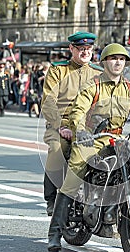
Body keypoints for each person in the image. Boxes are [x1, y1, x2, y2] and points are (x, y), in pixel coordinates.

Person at [46, 43, 130, 252]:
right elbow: (78, 110)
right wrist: (80, 131)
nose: (117, 62)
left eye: (121, 59)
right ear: (104, 62)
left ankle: (117, 210)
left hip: (116, 138)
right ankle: (55, 233)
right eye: (113, 58)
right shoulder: (93, 86)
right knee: (73, 178)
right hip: (91, 138)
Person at [41, 32, 102, 216]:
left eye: (89, 49)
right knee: (57, 149)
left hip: (90, 126)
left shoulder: (99, 73)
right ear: (71, 49)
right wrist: (60, 125)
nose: (85, 52)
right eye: (81, 49)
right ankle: (51, 199)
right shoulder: (58, 70)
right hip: (62, 124)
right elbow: (48, 101)